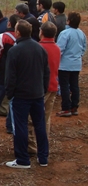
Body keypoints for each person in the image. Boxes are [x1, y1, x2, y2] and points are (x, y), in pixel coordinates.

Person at [5, 20, 50, 168]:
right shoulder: (40, 48)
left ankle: (22, 159)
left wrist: (10, 93)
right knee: (40, 125)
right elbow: (46, 72)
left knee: (20, 126)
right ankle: (43, 157)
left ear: (18, 33)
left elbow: (10, 76)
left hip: (21, 95)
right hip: (37, 94)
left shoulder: (14, 51)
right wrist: (43, 89)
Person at [27, 22, 60, 153]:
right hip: (53, 86)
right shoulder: (57, 48)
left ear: (41, 32)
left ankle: (32, 146)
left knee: (31, 118)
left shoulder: (39, 48)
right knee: (45, 118)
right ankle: (43, 145)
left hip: (40, 87)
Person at [0, 15, 19, 131]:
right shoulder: (23, 38)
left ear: (9, 24)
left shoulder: (3, 37)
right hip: (18, 74)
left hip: (3, 73)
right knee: (14, 100)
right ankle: (11, 126)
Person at [56, 12, 87, 117]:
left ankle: (66, 108)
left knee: (64, 86)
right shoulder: (81, 33)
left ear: (68, 21)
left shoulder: (65, 33)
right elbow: (83, 48)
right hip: (76, 64)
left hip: (64, 64)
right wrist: (77, 56)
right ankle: (74, 107)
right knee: (74, 85)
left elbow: (59, 49)